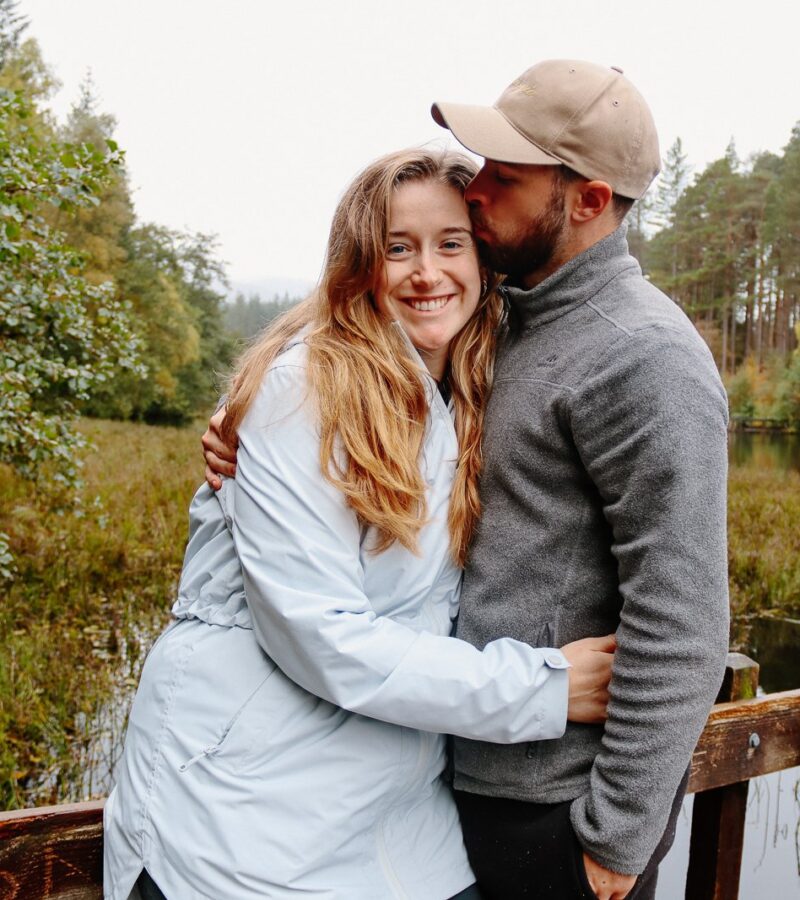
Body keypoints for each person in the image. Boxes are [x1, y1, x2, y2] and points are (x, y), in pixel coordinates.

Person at [205, 60, 730, 900]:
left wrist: (616, 842)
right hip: (460, 783)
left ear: (587, 201)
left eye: (506, 177)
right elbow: (364, 326)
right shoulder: (504, 314)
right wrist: (256, 426)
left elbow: (685, 618)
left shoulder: (645, 356)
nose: (475, 191)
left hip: (556, 807)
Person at [104, 148, 616, 900]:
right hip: (241, 822)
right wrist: (542, 689)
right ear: (360, 266)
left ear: (485, 259)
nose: (426, 273)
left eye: (450, 244)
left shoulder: (476, 385)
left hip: (398, 822)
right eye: (396, 249)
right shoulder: (301, 392)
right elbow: (323, 638)